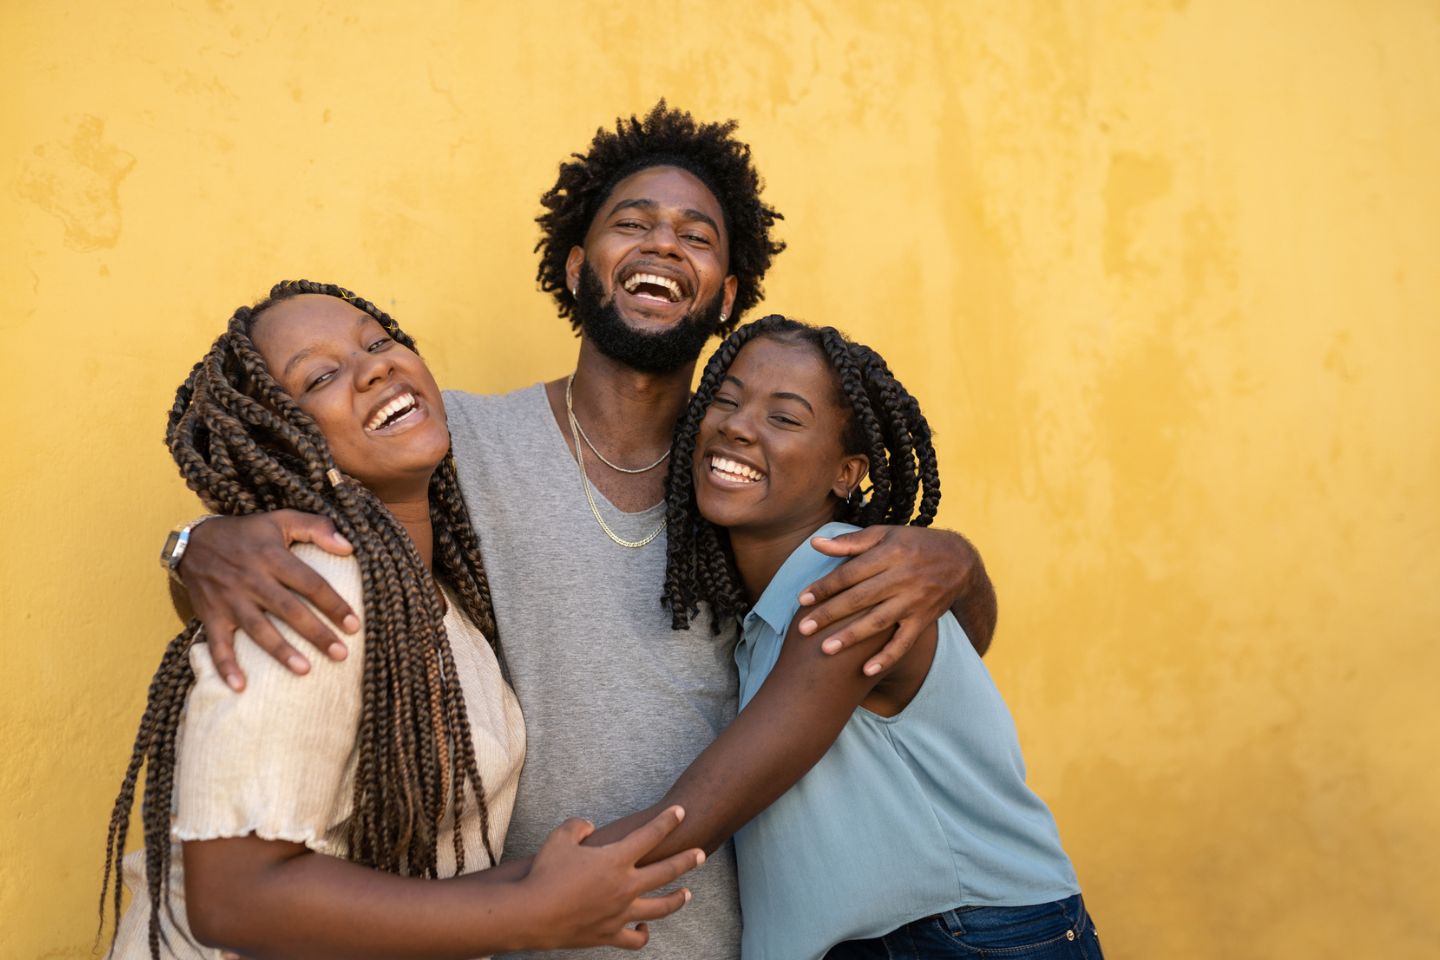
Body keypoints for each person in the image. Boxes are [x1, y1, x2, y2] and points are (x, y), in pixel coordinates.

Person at [172, 104, 999, 959]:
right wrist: (196, 547)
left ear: (725, 298)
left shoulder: (745, 478)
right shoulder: (448, 441)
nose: (663, 243)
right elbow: (305, 531)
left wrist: (959, 564)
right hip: (516, 933)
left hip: (711, 939)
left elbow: (918, 644)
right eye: (631, 224)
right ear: (576, 268)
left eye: (696, 235)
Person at [102, 282, 704, 959]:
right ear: (278, 437)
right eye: (321, 376)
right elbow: (232, 895)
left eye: (379, 342)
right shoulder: (313, 587)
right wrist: (527, 911)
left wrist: (547, 891)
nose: (376, 367)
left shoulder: (433, 595)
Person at [592, 315, 1101, 959]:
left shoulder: (851, 590)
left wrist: (491, 900)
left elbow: (692, 820)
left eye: (784, 418)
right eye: (725, 400)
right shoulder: (770, 612)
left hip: (965, 939)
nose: (738, 425)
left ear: (846, 472)